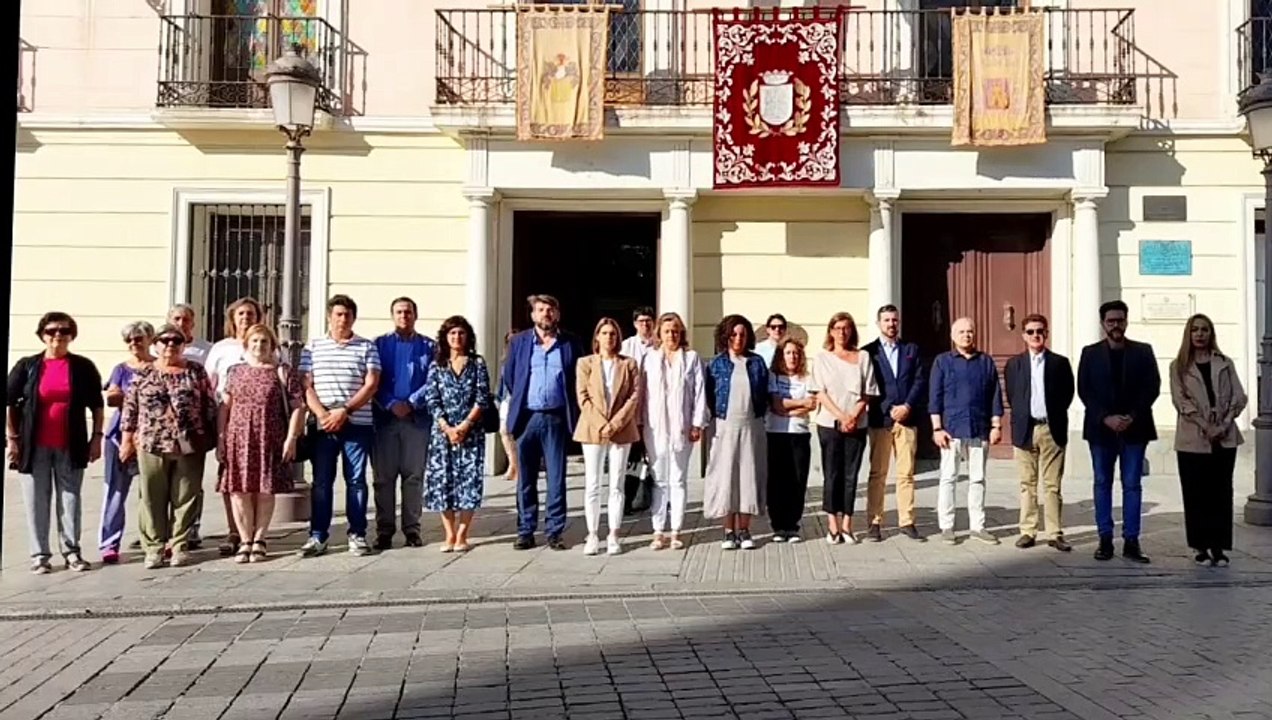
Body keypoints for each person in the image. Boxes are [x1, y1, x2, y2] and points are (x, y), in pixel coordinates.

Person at [6, 312, 105, 574]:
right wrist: (13, 439)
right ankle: (39, 555)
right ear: (42, 335)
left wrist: (97, 438)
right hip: (33, 444)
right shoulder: (27, 366)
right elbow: (10, 403)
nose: (57, 336)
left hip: (70, 444)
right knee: (36, 500)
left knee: (70, 499)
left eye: (63, 331)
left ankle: (72, 552)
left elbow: (97, 404)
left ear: (72, 335)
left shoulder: (82, 367)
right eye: (51, 331)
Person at [120, 323, 218, 569]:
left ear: (184, 344)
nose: (170, 345)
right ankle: (153, 547)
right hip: (152, 442)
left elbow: (209, 404)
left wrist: (214, 438)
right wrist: (126, 441)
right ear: (156, 344)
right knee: (152, 497)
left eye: (176, 341)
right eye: (165, 341)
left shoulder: (195, 371)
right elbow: (130, 409)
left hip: (189, 443)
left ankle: (179, 545)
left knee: (186, 496)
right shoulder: (144, 373)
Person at [1077, 299, 1160, 563]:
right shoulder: (1089, 353)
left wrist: (1131, 416)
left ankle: (1132, 541)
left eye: (1120, 320)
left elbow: (1152, 387)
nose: (1116, 325)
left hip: (1135, 429)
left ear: (1126, 321)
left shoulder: (1143, 351)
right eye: (1111, 321)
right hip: (1101, 431)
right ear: (1103, 324)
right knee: (1102, 483)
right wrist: (1106, 418)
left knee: (1132, 484)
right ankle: (1104, 539)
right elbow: (1085, 390)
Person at [299, 295, 382, 558]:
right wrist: (323, 414)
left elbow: (372, 384)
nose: (342, 319)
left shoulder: (366, 347)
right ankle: (318, 536)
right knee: (322, 482)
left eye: (347, 315)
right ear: (329, 317)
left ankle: (357, 534)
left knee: (356, 480)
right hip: (323, 424)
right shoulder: (313, 346)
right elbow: (305, 384)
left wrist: (345, 411)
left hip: (357, 422)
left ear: (353, 318)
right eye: (338, 314)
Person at [216, 324, 305, 563]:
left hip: (269, 437)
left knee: (265, 490)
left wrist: (291, 438)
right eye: (254, 341)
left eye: (264, 341)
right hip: (239, 438)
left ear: (272, 346)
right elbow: (225, 406)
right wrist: (221, 438)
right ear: (246, 344)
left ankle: (260, 539)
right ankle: (245, 540)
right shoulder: (235, 371)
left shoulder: (282, 372)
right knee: (239, 490)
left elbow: (298, 407)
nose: (259, 346)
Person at [502, 295, 583, 551]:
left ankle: (554, 531)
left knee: (556, 478)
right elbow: (510, 377)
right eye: (540, 310)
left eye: (550, 310)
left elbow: (578, 377)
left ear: (557, 315)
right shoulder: (519, 342)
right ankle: (525, 530)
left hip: (557, 417)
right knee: (525, 478)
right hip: (527, 417)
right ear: (533, 315)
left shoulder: (570, 343)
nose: (546, 314)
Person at [1169, 313, 1246, 567]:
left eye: (1204, 330)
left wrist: (1223, 424)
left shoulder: (1224, 363)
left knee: (1221, 493)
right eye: (1195, 330)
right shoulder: (1178, 366)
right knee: (1196, 493)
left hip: (1224, 437)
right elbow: (1181, 401)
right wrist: (1205, 425)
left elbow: (1239, 397)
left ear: (1211, 334)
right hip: (1193, 438)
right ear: (1188, 334)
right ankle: (1200, 546)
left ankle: (1219, 547)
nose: (1200, 334)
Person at [416, 315, 493, 553]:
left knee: (469, 482)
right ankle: (449, 534)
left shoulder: (477, 363)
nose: (456, 338)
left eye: (461, 333)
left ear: (467, 337)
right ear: (445, 338)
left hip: (471, 433)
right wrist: (447, 427)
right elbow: (431, 398)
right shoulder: (436, 365)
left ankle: (463, 534)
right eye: (452, 334)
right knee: (443, 482)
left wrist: (465, 425)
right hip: (442, 435)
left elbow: (482, 397)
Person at [1003, 313, 1075, 552]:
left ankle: (1054, 533)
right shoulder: (1014, 364)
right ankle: (1028, 531)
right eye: (1031, 331)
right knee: (1027, 484)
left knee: (1052, 485)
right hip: (1025, 428)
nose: (1036, 335)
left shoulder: (1059, 363)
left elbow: (1067, 394)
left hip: (1050, 428)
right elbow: (1013, 395)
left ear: (1046, 333)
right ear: (1024, 335)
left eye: (1040, 331)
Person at [930, 317, 1004, 546]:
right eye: (961, 332)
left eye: (970, 331)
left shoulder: (986, 362)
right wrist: (937, 428)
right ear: (953, 336)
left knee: (978, 479)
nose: (966, 335)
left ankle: (978, 527)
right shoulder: (942, 362)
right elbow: (935, 397)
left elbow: (995, 396)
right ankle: (947, 526)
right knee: (948, 478)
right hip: (951, 429)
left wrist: (996, 425)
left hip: (979, 428)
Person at [202, 296, 266, 557]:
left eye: (250, 314)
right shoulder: (221, 348)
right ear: (233, 319)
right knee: (232, 478)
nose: (246, 318)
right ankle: (235, 531)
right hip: (229, 419)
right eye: (241, 314)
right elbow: (209, 383)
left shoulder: (267, 345)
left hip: (262, 422)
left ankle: (256, 534)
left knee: (259, 479)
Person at [371, 297, 436, 550]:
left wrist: (410, 402)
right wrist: (390, 403)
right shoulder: (379, 345)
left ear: (415, 315)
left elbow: (433, 379)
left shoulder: (429, 346)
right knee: (383, 478)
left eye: (408, 312)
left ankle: (412, 529)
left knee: (413, 476)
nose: (403, 316)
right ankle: (384, 530)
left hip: (415, 419)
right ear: (392, 316)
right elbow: (372, 380)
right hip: (385, 419)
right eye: (399, 312)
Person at [574, 317, 642, 556]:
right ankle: (592, 534)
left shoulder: (629, 364)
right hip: (592, 428)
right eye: (604, 333)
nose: (609, 337)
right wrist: (601, 424)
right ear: (597, 337)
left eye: (613, 333)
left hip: (621, 429)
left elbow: (634, 396)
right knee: (592, 484)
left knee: (617, 484)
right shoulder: (585, 363)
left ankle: (614, 533)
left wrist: (614, 424)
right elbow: (583, 396)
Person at [640, 312, 708, 550]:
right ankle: (658, 530)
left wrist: (697, 424)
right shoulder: (649, 358)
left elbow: (699, 393)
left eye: (676, 331)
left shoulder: (691, 358)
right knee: (659, 480)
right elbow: (642, 395)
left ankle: (676, 529)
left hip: (683, 428)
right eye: (667, 331)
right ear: (659, 333)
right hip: (654, 428)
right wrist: (639, 425)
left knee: (678, 479)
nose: (672, 335)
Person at [809, 312, 878, 545]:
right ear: (830, 331)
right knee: (832, 474)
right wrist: (840, 416)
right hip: (829, 423)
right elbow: (820, 392)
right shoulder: (822, 358)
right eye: (837, 328)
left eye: (846, 328)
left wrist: (853, 417)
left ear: (852, 331)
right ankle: (832, 525)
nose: (842, 332)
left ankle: (847, 524)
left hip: (857, 424)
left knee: (851, 475)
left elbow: (868, 392)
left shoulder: (864, 357)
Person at [704, 314, 770, 550]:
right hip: (724, 426)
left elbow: (766, 394)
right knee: (726, 478)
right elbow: (709, 397)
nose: (738, 338)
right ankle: (728, 530)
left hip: (751, 425)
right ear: (725, 336)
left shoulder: (757, 363)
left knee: (748, 476)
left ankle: (744, 529)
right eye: (733, 334)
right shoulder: (716, 364)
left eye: (742, 334)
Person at [861, 305, 925, 542]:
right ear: (878, 323)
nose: (891, 324)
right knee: (878, 473)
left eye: (894, 320)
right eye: (886, 320)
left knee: (906, 473)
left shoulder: (911, 349)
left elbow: (919, 380)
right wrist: (889, 408)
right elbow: (867, 385)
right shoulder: (868, 352)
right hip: (881, 419)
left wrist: (907, 406)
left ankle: (907, 521)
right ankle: (874, 522)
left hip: (907, 419)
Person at [99, 321, 155, 564]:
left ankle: (153, 539)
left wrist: (127, 395)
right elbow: (112, 397)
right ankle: (109, 543)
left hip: (152, 435)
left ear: (150, 339)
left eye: (138, 338)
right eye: (129, 340)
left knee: (152, 492)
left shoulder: (157, 366)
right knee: (115, 490)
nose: (134, 343)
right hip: (117, 436)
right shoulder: (121, 369)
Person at [766, 339, 815, 543]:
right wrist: (799, 404)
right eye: (788, 353)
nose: (792, 357)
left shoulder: (808, 379)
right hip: (776, 434)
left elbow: (812, 404)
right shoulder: (773, 377)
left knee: (797, 480)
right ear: (781, 355)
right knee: (776, 481)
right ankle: (778, 526)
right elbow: (777, 405)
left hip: (799, 434)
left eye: (796, 353)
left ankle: (792, 525)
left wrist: (791, 407)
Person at [497, 329, 520, 484]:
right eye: (509, 341)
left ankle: (518, 467)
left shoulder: (524, 357)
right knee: (504, 431)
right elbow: (502, 381)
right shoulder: (505, 360)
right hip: (506, 399)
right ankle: (513, 464)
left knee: (517, 433)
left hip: (518, 399)